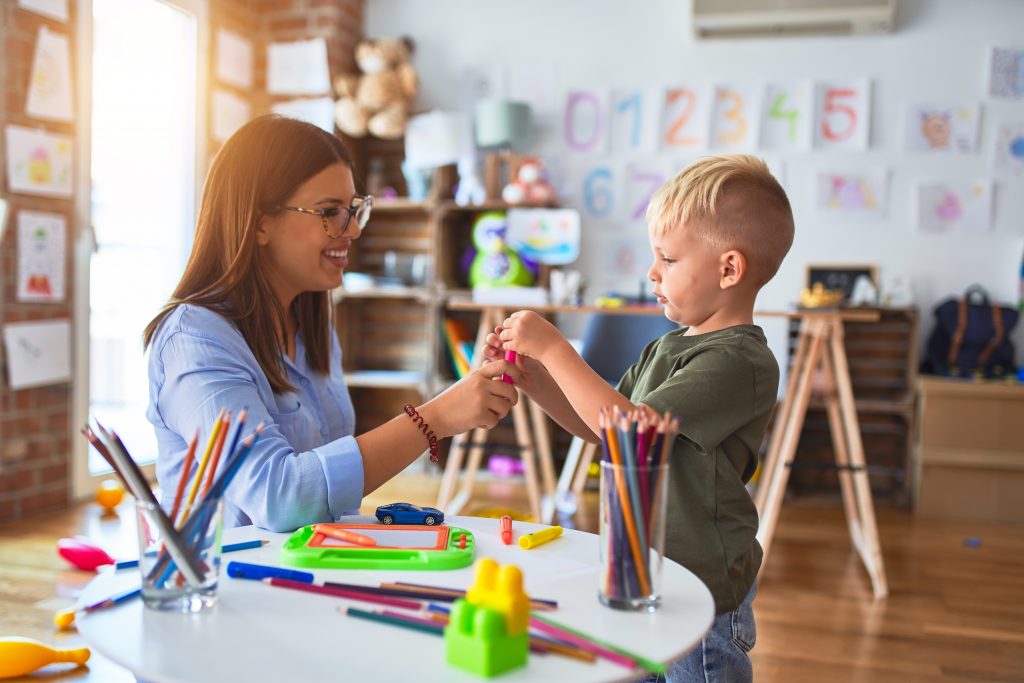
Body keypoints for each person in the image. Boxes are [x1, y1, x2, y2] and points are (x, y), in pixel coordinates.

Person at [485, 154, 794, 683]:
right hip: (645, 570)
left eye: (668, 259)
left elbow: (630, 427)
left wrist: (557, 349)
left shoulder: (739, 360)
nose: (652, 272)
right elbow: (604, 432)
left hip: (702, 589)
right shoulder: (668, 345)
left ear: (729, 269)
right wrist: (539, 380)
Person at [143, 115, 520, 532]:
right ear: (260, 222)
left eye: (355, 209)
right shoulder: (193, 340)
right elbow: (281, 497)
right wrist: (433, 419)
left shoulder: (311, 326)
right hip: (224, 588)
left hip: (303, 575)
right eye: (330, 212)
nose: (353, 229)